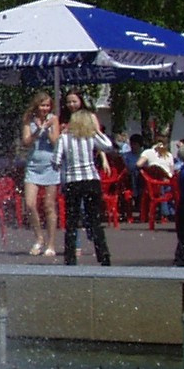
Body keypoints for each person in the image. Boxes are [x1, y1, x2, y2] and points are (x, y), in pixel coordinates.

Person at [55, 99, 114, 266]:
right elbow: (108, 146)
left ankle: (70, 258)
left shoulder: (64, 138)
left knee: (72, 221)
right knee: (94, 220)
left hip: (73, 181)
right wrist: (97, 131)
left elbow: (56, 161)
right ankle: (103, 256)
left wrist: (66, 165)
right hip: (91, 180)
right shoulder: (91, 136)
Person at [19, 92, 60, 258]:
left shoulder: (54, 119)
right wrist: (38, 130)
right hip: (33, 165)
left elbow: (56, 142)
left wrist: (48, 128)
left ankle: (51, 244)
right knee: (29, 204)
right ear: (36, 106)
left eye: (47, 105)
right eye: (42, 105)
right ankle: (39, 237)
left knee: (49, 205)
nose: (45, 108)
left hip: (50, 165)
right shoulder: (29, 119)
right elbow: (26, 142)